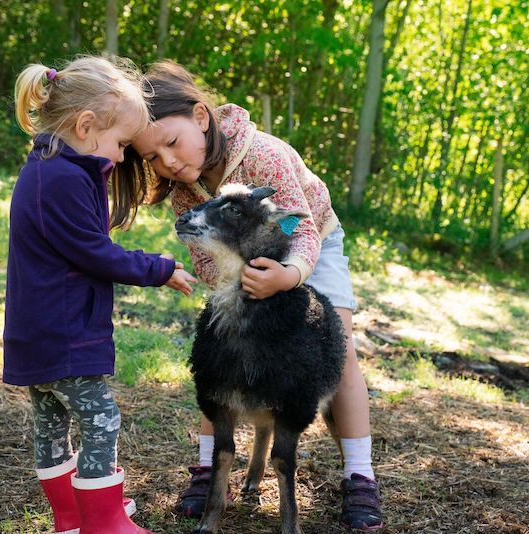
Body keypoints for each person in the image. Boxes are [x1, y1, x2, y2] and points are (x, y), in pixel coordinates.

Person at [117, 61, 384, 531]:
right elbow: (202, 257)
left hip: (310, 246)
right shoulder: (186, 192)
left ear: (201, 116)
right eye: (153, 157)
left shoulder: (262, 153)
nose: (169, 162)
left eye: (172, 143)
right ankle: (208, 470)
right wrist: (231, 284)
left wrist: (290, 275)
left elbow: (298, 224)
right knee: (223, 360)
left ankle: (359, 475)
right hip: (238, 268)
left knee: (338, 353)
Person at [4, 55, 196, 534]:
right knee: (101, 420)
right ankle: (104, 522)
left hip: (37, 330)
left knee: (51, 423)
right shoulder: (65, 178)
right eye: (121, 144)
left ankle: (71, 514)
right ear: (86, 125)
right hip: (65, 331)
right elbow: (94, 252)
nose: (120, 157)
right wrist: (160, 268)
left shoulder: (49, 167)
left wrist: (100, 171)